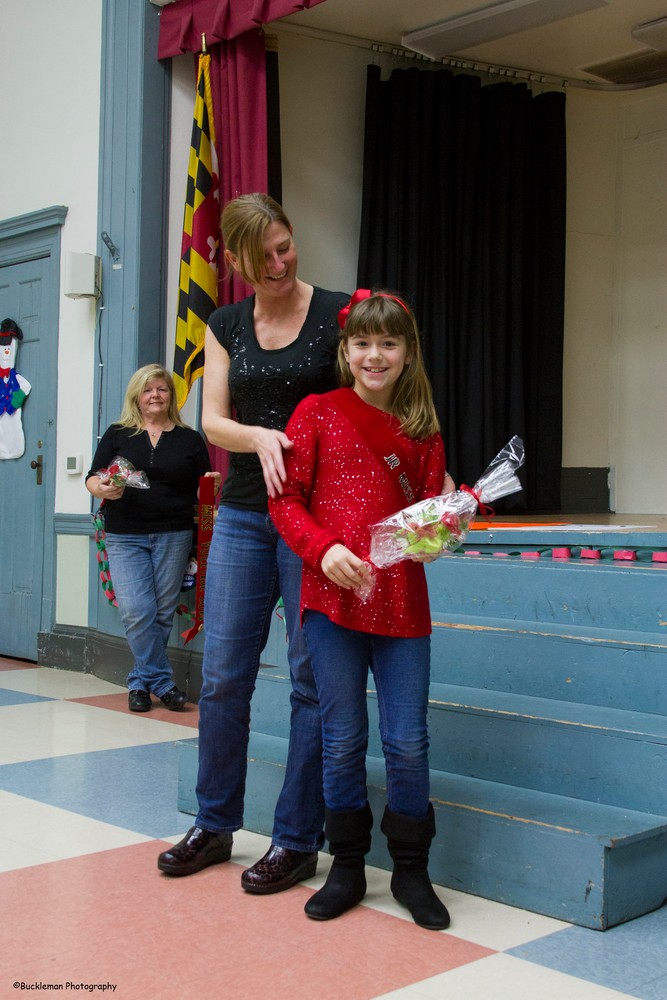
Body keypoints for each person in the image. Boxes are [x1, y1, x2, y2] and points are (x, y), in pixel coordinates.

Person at [157, 194, 349, 891]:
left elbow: (363, 403)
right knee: (222, 676)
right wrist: (259, 435)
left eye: (285, 245)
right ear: (234, 261)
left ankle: (296, 839)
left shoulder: (335, 314)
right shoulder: (225, 322)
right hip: (242, 515)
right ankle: (214, 823)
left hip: (316, 522)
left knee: (307, 680)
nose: (278, 261)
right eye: (262, 253)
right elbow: (210, 420)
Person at [268, 289, 452, 930]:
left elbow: (427, 520)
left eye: (389, 343)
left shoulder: (424, 430)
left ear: (407, 352)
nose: (376, 355)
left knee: (407, 743)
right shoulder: (315, 412)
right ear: (345, 351)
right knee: (341, 739)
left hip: (403, 608)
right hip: (330, 602)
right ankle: (347, 864)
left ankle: (411, 870)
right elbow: (285, 500)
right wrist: (322, 552)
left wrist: (440, 532)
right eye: (363, 343)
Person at [86, 364, 219, 713]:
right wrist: (100, 486)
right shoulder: (118, 434)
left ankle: (140, 685)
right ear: (137, 396)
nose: (155, 395)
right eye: (148, 390)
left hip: (174, 534)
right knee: (136, 610)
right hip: (124, 534)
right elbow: (92, 477)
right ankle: (162, 681)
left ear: (170, 396)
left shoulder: (190, 439)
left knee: (161, 612)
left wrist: (212, 485)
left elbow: (203, 490)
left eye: (161, 389)